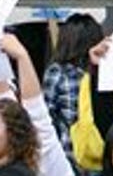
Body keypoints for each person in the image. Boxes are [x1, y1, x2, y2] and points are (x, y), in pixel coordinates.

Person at [42, 13, 104, 165]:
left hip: (70, 153)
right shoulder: (105, 73)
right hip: (103, 149)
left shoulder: (58, 72)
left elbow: (46, 116)